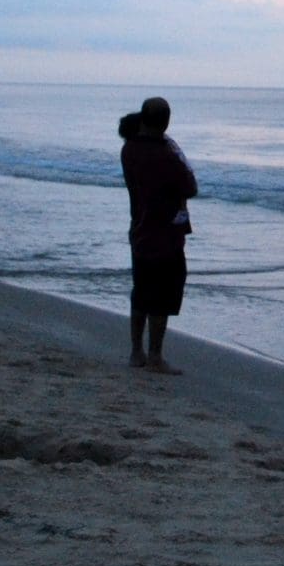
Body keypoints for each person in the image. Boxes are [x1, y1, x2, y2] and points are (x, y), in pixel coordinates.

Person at [119, 95, 197, 374]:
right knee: (162, 296)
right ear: (166, 122)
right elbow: (190, 186)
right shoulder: (166, 154)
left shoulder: (129, 150)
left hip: (139, 229)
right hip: (165, 234)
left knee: (141, 292)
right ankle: (155, 355)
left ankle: (136, 352)